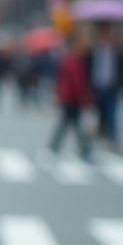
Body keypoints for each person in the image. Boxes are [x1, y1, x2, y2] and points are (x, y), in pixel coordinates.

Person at [49, 33, 93, 161]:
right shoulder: (73, 61)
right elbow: (77, 82)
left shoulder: (70, 59)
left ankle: (54, 148)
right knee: (75, 127)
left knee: (67, 125)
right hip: (72, 99)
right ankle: (85, 152)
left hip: (69, 98)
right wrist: (85, 97)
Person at [87, 23, 123, 144]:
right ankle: (102, 130)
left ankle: (113, 135)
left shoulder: (117, 50)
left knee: (112, 110)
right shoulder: (94, 50)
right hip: (97, 85)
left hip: (111, 85)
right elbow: (88, 66)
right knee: (100, 110)